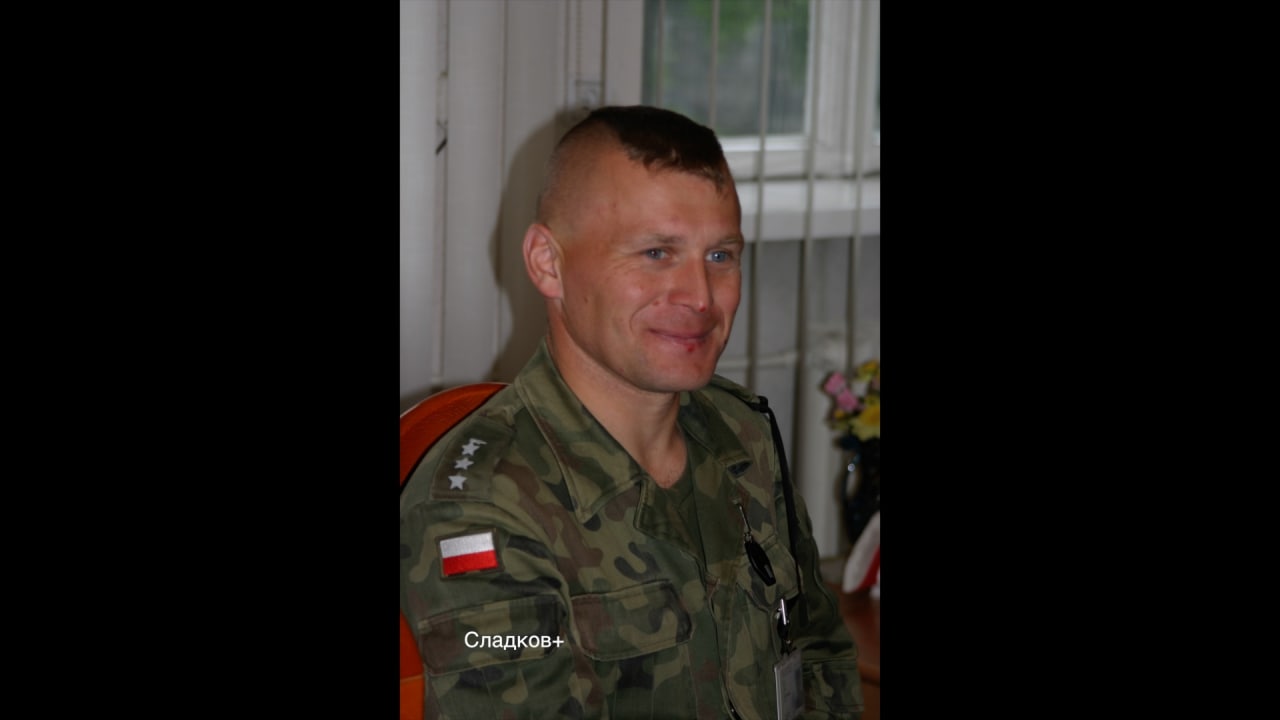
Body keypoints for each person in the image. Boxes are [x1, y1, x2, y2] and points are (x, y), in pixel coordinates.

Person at [400, 105, 864, 719]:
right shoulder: (481, 509)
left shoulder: (741, 433)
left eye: (721, 255)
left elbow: (818, 654)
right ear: (548, 263)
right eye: (655, 252)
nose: (700, 297)